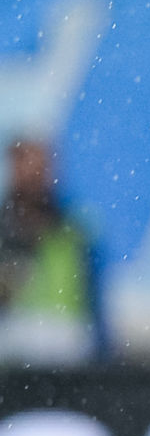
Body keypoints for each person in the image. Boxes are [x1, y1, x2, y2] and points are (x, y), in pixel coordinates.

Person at [0, 137, 106, 363]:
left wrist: (103, 355)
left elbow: (95, 300)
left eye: (40, 167)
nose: (33, 176)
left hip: (68, 354)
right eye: (25, 166)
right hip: (12, 359)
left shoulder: (76, 230)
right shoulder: (5, 231)